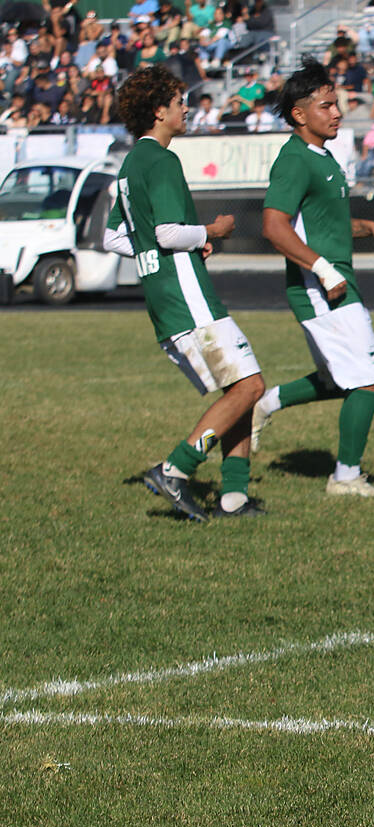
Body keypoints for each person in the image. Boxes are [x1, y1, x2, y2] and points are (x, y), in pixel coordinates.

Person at [102, 65, 266, 521]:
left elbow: (113, 238)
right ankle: (175, 470)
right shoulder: (162, 159)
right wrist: (210, 230)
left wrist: (173, 247)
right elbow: (169, 231)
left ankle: (233, 497)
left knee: (241, 387)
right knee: (250, 386)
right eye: (178, 101)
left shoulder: (130, 164)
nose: (186, 108)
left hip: (165, 297)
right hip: (189, 299)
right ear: (159, 111)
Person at [253, 59, 374, 497]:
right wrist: (322, 268)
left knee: (339, 379)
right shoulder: (294, 159)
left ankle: (264, 404)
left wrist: (365, 228)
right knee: (368, 377)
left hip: (334, 280)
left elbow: (321, 223)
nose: (337, 113)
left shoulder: (324, 156)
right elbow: (274, 226)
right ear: (299, 114)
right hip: (321, 287)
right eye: (327, 106)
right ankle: (346, 477)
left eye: (337, 104)